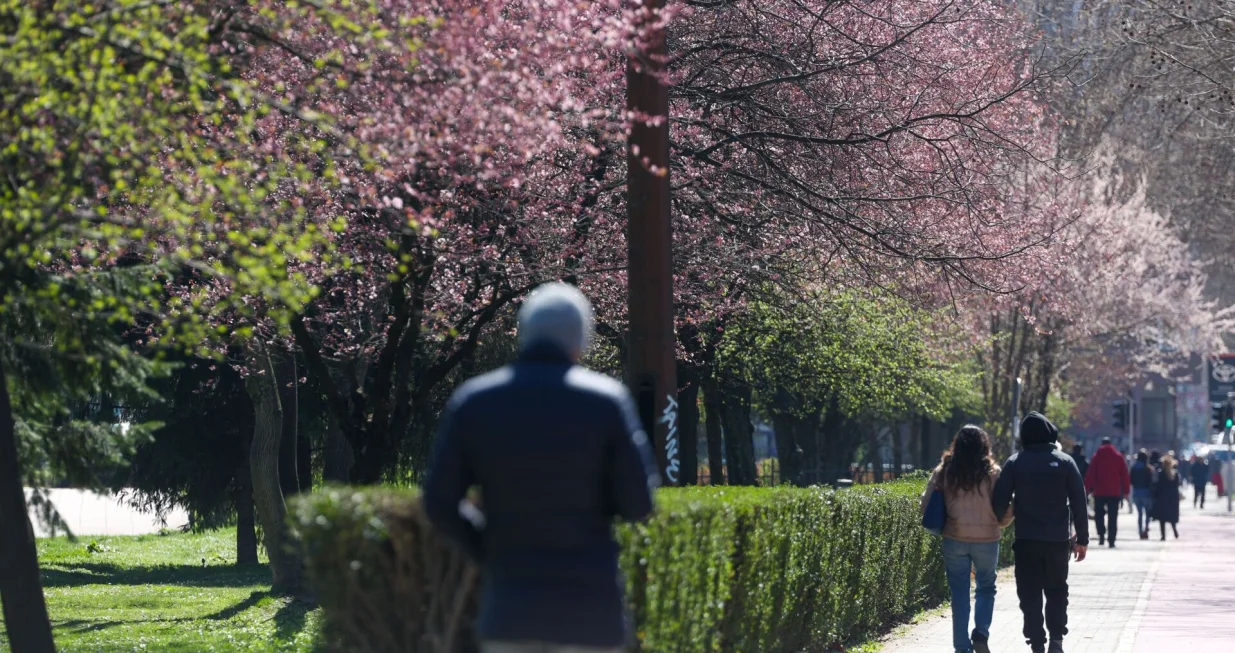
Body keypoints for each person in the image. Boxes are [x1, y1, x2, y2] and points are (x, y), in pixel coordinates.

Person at [423, 282, 660, 653]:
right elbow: (639, 503)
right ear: (581, 340)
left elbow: (439, 501)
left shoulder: (476, 402)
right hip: (590, 610)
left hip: (511, 607)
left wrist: (485, 545)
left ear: (523, 334)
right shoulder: (606, 403)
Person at [992, 412, 1089, 653]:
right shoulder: (1066, 462)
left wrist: (1001, 518)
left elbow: (999, 501)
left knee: (1029, 593)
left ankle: (1036, 641)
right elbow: (1079, 502)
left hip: (1026, 540)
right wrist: (1082, 539)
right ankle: (1056, 639)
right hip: (1057, 541)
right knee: (1057, 590)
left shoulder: (1015, 462)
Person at [921, 426, 1013, 653]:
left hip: (954, 538)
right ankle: (981, 632)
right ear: (984, 445)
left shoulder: (945, 470)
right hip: (987, 540)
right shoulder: (993, 472)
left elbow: (926, 505)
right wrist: (999, 524)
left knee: (959, 594)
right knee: (986, 587)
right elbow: (1005, 507)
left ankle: (962, 648)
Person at [1084, 437, 1131, 548]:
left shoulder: (1096, 457)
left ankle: (1101, 535)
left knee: (1099, 515)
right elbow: (1124, 475)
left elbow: (1090, 474)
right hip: (1114, 492)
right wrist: (1126, 491)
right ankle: (1111, 539)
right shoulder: (1118, 457)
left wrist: (1087, 488)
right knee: (1113, 517)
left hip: (1099, 491)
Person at [1151, 454, 1181, 540]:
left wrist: (1155, 495)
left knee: (1162, 518)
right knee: (1171, 516)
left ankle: (1163, 535)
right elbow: (1177, 485)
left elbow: (1158, 485)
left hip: (1162, 498)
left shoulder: (1161, 473)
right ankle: (1174, 530)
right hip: (1172, 498)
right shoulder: (1174, 474)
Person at [1128, 450, 1155, 540]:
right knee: (1147, 513)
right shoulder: (1148, 469)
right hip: (1146, 493)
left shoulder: (1133, 468)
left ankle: (1140, 531)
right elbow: (1151, 482)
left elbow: (1131, 480)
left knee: (1139, 514)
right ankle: (1146, 529)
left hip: (1136, 493)